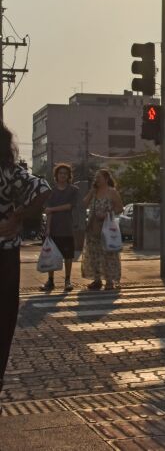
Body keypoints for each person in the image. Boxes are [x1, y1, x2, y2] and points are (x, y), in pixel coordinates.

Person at [0, 122, 50, 412]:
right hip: (6, 255)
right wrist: (18, 216)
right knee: (4, 315)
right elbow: (42, 190)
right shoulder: (9, 172)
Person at [81, 168, 123, 290]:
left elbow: (120, 208)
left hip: (107, 227)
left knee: (108, 254)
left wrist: (107, 214)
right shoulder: (94, 191)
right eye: (95, 177)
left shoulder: (112, 192)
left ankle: (110, 281)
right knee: (94, 254)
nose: (96, 179)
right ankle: (97, 279)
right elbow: (83, 204)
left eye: (98, 177)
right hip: (93, 227)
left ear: (106, 178)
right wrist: (91, 192)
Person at [40, 163, 79, 292]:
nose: (63, 175)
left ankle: (67, 280)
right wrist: (48, 228)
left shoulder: (73, 190)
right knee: (51, 254)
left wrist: (51, 209)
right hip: (54, 228)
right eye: (60, 173)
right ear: (56, 175)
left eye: (65, 173)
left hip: (67, 228)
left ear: (68, 176)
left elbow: (69, 206)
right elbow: (48, 212)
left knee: (68, 256)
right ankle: (50, 281)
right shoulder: (51, 192)